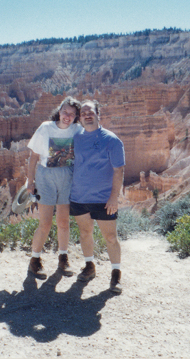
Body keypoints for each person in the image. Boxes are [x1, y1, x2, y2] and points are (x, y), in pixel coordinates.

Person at [69, 100, 125, 294]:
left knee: (110, 237)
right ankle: (89, 266)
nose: (87, 115)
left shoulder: (111, 140)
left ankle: (116, 273)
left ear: (98, 114)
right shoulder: (75, 138)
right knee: (85, 233)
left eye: (90, 111)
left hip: (103, 198)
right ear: (80, 117)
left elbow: (119, 171)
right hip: (78, 196)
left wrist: (114, 198)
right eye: (83, 112)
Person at [26, 96, 83, 280]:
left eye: (72, 114)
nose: (67, 116)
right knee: (45, 223)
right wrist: (30, 181)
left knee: (64, 222)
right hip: (46, 178)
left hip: (67, 176)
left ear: (76, 117)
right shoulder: (45, 128)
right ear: (59, 111)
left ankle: (63, 258)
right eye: (65, 112)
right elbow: (33, 157)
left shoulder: (77, 130)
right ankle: (34, 260)